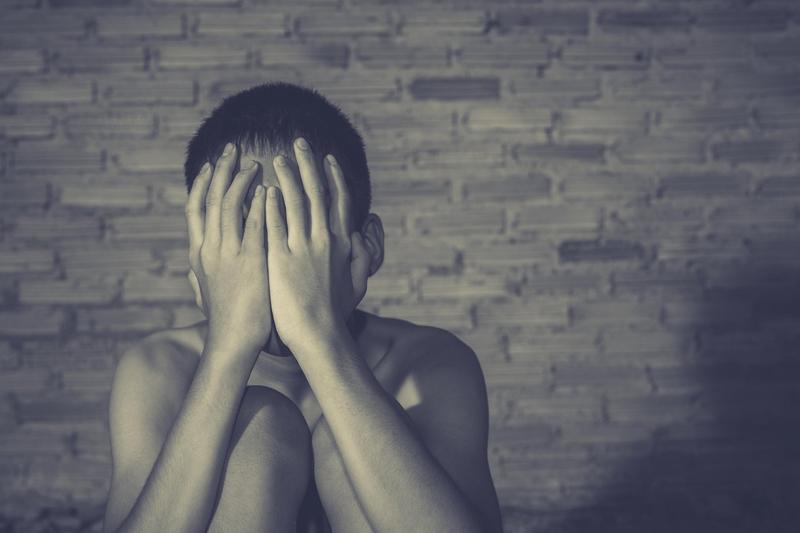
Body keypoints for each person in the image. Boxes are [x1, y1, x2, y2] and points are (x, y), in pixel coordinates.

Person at [101, 82, 503, 533]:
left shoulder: (430, 365)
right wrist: (228, 348)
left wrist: (319, 337)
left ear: (367, 246)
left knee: (348, 444)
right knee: (256, 429)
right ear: (203, 256)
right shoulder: (159, 369)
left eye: (301, 234)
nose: (275, 264)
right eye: (243, 236)